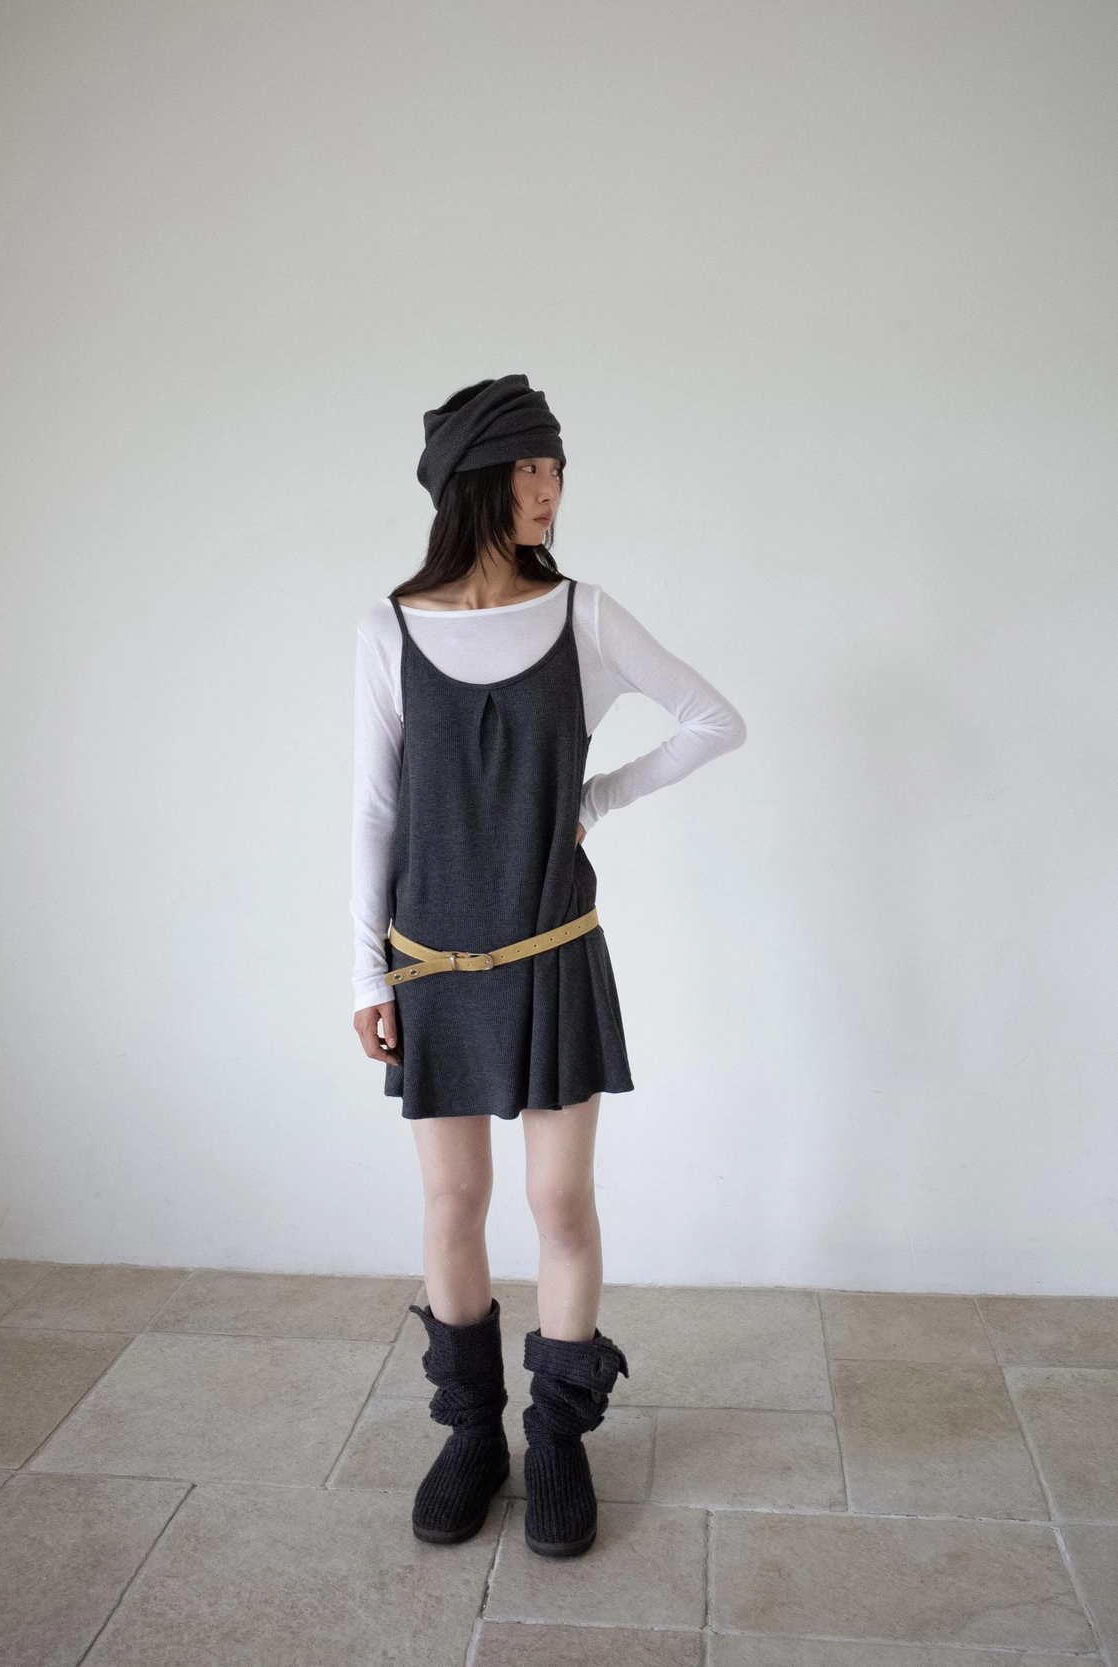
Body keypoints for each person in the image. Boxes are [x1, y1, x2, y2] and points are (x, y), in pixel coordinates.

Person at [350, 374, 746, 1557]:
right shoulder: (388, 629)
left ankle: (558, 1437)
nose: (550, 488)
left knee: (558, 1201)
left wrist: (595, 799)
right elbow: (372, 811)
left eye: (556, 467)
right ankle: (472, 1432)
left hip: (551, 947)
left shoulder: (582, 616)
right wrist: (365, 976)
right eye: (529, 466)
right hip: (428, 959)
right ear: (474, 479)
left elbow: (711, 718)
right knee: (451, 1201)